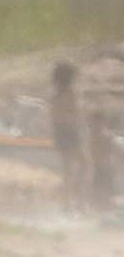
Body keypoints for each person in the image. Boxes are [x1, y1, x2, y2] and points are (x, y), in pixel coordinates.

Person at [50, 62, 87, 213]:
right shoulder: (68, 93)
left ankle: (68, 203)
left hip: (62, 132)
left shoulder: (57, 94)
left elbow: (55, 116)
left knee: (69, 169)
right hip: (69, 132)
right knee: (81, 166)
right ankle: (75, 202)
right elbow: (71, 114)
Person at [87, 110, 115, 211]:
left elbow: (110, 151)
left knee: (106, 188)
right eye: (95, 123)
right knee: (97, 188)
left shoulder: (107, 136)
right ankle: (99, 206)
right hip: (98, 167)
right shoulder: (92, 136)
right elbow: (92, 152)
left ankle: (106, 206)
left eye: (99, 122)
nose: (97, 125)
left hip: (106, 166)